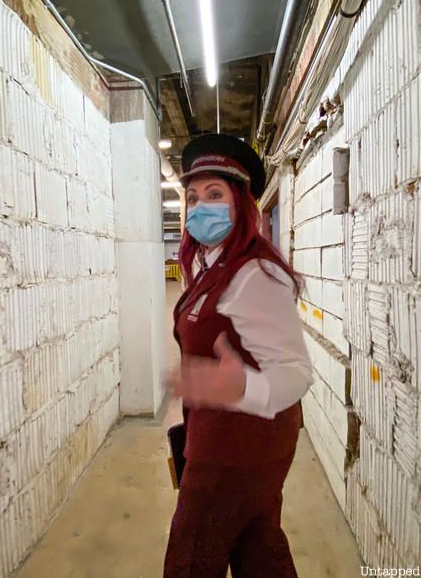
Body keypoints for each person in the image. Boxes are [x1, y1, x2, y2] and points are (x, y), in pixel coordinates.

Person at [164, 133, 313, 578]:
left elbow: (296, 373)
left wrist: (238, 385)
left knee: (190, 560)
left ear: (241, 205)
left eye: (214, 194)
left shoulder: (254, 274)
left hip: (234, 451)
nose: (199, 206)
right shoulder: (214, 265)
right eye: (192, 197)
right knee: (259, 549)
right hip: (231, 440)